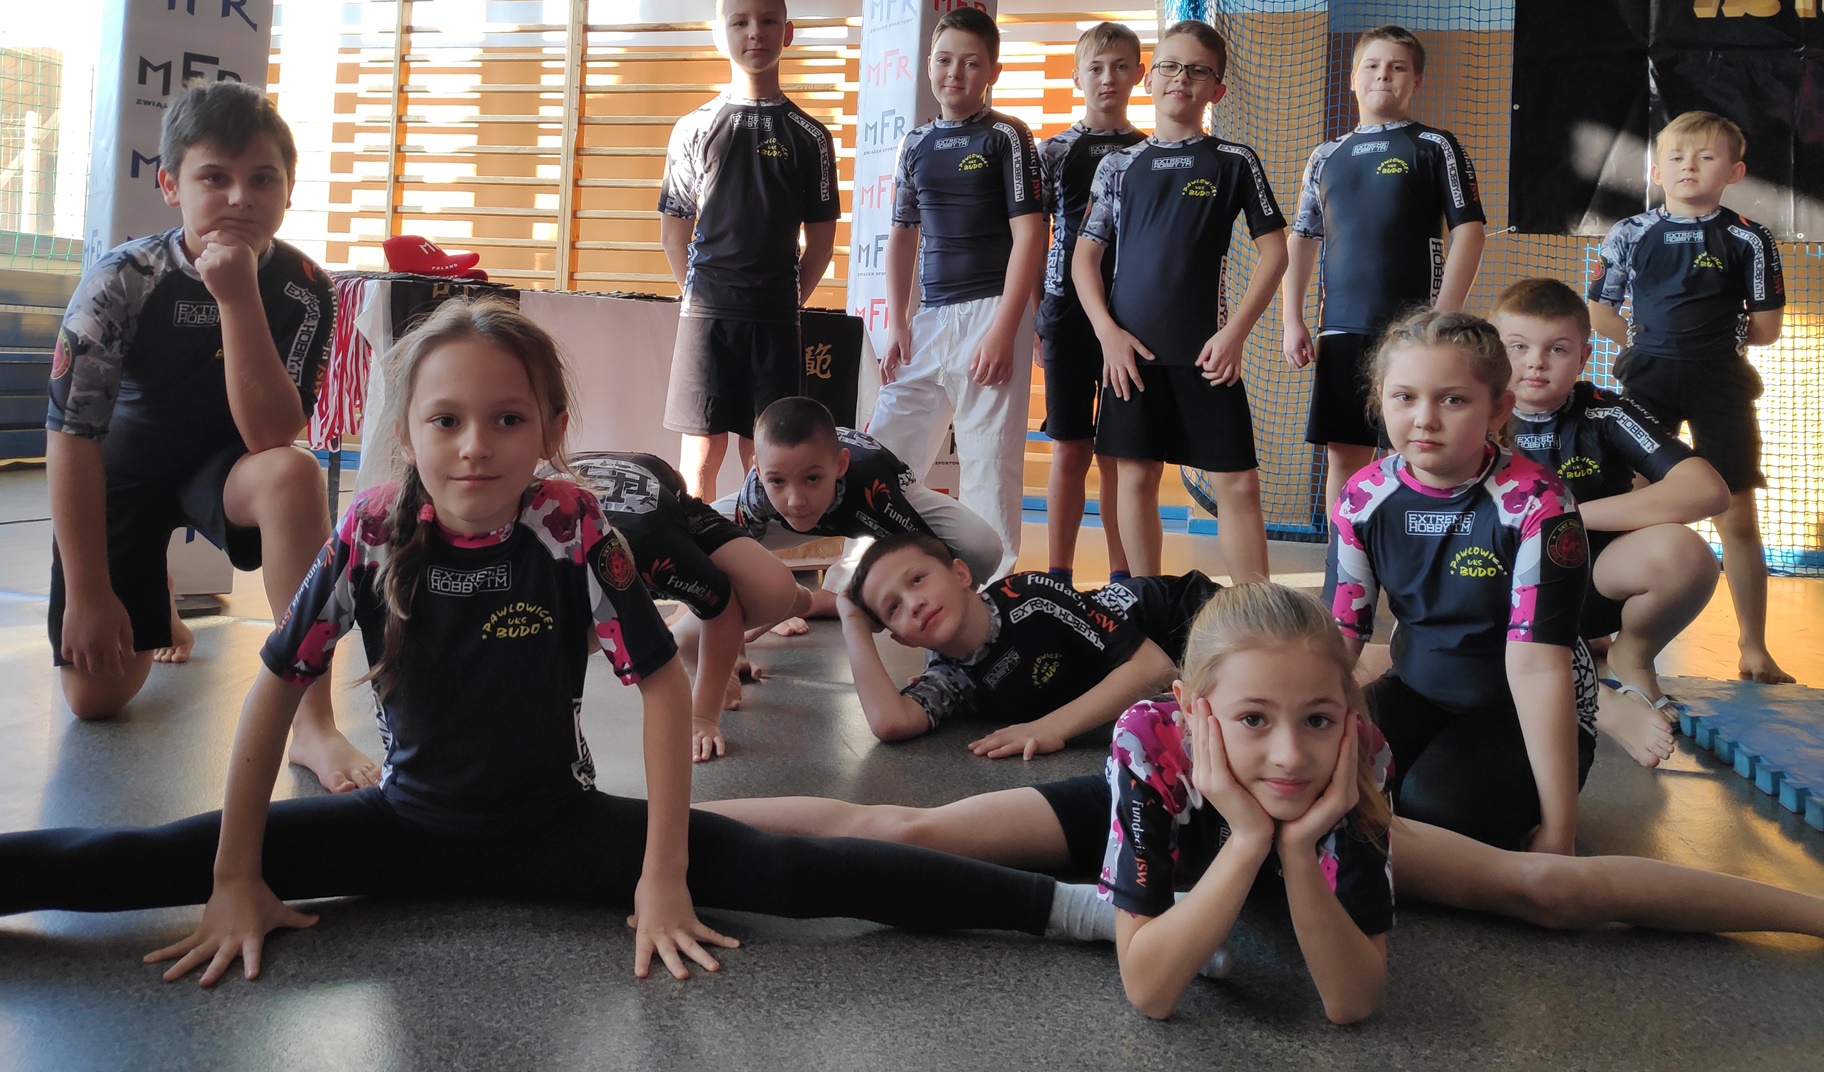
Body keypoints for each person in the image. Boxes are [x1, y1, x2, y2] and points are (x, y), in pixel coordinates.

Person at [0, 299, 1122, 982]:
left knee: (801, 881)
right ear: (410, 430)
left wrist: (660, 872)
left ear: (547, 426)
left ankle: (1090, 917)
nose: (475, 445)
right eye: (446, 421)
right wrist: (235, 879)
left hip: (559, 831)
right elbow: (276, 688)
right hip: (399, 828)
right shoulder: (373, 528)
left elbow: (658, 687)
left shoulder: (568, 522)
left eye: (505, 419)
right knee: (121, 864)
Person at [707, 583, 1824, 1001]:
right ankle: (660, 833)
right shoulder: (1150, 742)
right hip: (1178, 808)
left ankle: (1810, 909)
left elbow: (1352, 1001)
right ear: (1197, 711)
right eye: (1252, 719)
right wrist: (1240, 839)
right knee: (908, 828)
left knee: (1540, 888)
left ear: (1346, 713)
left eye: (1315, 718)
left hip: (1311, 837)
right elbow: (1149, 986)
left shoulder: (1346, 759)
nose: (1288, 751)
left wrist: (1292, 846)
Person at [46, 83, 374, 793]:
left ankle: (311, 722)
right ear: (171, 185)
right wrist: (90, 593)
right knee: (96, 702)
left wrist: (238, 295)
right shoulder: (123, 280)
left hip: (223, 470)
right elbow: (71, 437)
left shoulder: (304, 287)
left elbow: (271, 432)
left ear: (288, 191)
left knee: (292, 471)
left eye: (262, 180)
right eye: (214, 178)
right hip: (124, 474)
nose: (238, 198)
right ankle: (152, 587)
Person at [1331, 309, 1592, 853]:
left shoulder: (1536, 503)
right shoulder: (1363, 497)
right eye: (1405, 397)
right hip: (1417, 689)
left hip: (1519, 706)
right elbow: (1340, 637)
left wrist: (1560, 830)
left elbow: (1539, 667)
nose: (1425, 419)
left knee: (1437, 812)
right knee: (1325, 772)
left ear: (1498, 408)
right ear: (1381, 399)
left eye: (1452, 400)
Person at [1073, 20, 1287, 585]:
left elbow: (1275, 253)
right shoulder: (1119, 166)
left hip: (1206, 357)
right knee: (1136, 477)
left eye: (1197, 71)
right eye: (1169, 66)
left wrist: (1234, 334)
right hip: (1130, 357)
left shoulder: (1234, 161)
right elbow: (1084, 258)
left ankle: (1256, 613)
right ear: (1149, 79)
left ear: (1217, 89)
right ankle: (1147, 603)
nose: (1181, 79)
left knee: (1236, 483)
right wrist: (1108, 334)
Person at [1586, 111, 1789, 685]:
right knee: (1631, 502)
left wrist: (1705, 342)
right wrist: (1646, 345)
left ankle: (1753, 646)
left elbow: (1767, 328)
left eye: (1705, 156)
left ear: (1734, 172)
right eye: (1676, 157)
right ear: (1656, 171)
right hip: (1646, 382)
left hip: (1721, 385)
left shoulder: (1749, 238)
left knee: (1736, 514)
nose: (1688, 167)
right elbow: (1600, 310)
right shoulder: (1630, 232)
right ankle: (1602, 627)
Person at [1493, 277, 1729, 765]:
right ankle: (1592, 691)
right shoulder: (1472, 411)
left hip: (1590, 582)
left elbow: (1708, 490)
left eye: (1557, 349)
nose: (1536, 362)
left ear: (1583, 357)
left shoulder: (1605, 413)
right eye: (1518, 347)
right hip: (1496, 598)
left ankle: (1633, 657)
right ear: (1494, 352)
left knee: (1686, 554)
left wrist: (1566, 516)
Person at [1280, 26, 1487, 520]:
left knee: (1411, 454)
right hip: (1341, 330)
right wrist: (1292, 319)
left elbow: (1470, 232)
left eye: (1397, 67)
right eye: (1372, 66)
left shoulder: (1435, 145)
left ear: (1416, 80)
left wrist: (1440, 319)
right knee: (1343, 456)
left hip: (1412, 333)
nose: (1383, 75)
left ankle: (1406, 553)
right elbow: (1303, 239)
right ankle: (1343, 559)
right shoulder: (1325, 156)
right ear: (1353, 78)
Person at [872, 7, 1047, 573]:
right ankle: (870, 574)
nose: (955, 73)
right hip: (930, 316)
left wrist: (1004, 329)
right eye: (944, 60)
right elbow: (903, 235)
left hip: (993, 311)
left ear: (992, 71)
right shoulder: (915, 143)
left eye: (971, 63)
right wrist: (899, 322)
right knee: (885, 450)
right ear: (929, 66)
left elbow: (1031, 236)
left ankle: (992, 589)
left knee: (988, 461)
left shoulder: (1007, 136)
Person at [658, 0, 840, 500]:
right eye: (739, 22)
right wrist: (699, 297)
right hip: (707, 316)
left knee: (766, 457)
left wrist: (786, 301)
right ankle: (701, 549)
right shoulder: (693, 127)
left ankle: (761, 549)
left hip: (776, 317)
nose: (754, 32)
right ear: (720, 34)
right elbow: (674, 231)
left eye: (767, 21)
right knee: (700, 455)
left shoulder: (811, 136)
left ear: (788, 32)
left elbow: (821, 243)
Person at [837, 532, 1217, 760]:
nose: (913, 603)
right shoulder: (952, 678)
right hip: (1182, 681)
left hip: (1189, 613)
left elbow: (1153, 666)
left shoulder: (1030, 596)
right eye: (893, 607)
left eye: (918, 579)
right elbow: (891, 722)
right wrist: (853, 623)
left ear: (961, 573)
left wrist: (1051, 728)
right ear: (902, 638)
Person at [568, 450, 808, 762]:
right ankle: (698, 641)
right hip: (587, 478)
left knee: (773, 591)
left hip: (659, 489)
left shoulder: (659, 556)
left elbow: (722, 608)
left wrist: (703, 716)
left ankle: (803, 600)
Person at [718, 395, 1003, 621]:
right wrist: (748, 629)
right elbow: (736, 564)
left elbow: (930, 557)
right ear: (759, 470)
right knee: (704, 536)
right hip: (788, 521)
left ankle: (827, 600)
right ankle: (811, 602)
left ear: (840, 465)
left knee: (981, 547)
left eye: (812, 478)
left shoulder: (874, 488)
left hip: (870, 497)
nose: (796, 500)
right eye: (777, 481)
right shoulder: (757, 493)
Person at [1034, 22, 1147, 583]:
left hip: (1129, 319)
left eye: (1121, 66)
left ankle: (1122, 577)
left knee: (1117, 455)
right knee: (1071, 449)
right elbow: (1033, 241)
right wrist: (1037, 318)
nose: (1109, 78)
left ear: (1139, 74)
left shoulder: (1149, 152)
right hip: (1065, 314)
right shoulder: (1053, 151)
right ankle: (1058, 574)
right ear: (1077, 77)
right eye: (1096, 68)